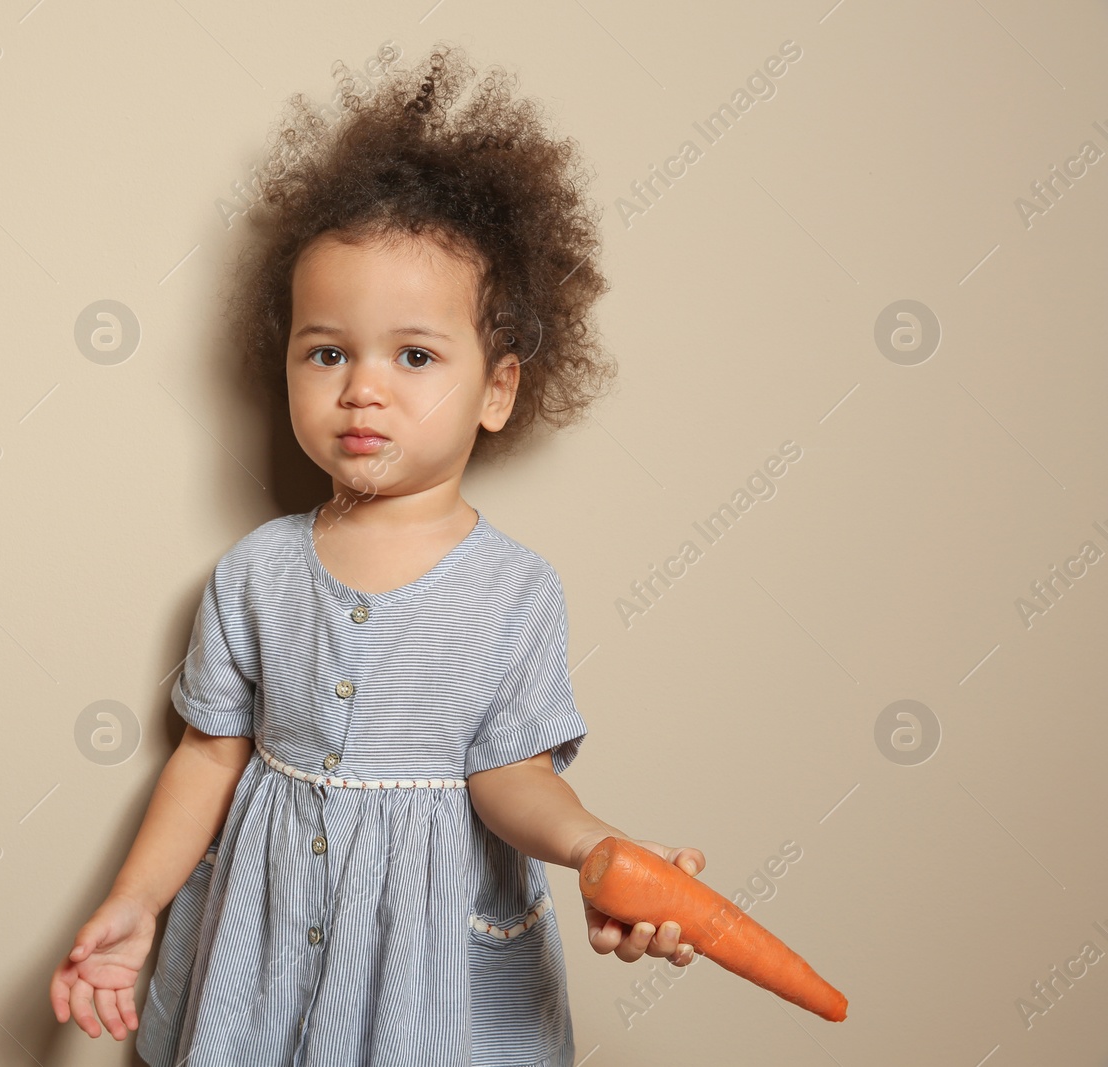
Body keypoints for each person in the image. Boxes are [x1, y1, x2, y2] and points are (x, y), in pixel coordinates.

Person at [50, 41, 707, 1067]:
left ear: (496, 389)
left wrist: (594, 846)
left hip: (425, 955)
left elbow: (511, 774)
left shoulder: (514, 591)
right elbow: (210, 753)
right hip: (259, 941)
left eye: (414, 355)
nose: (363, 387)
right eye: (327, 352)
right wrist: (134, 900)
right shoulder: (256, 571)